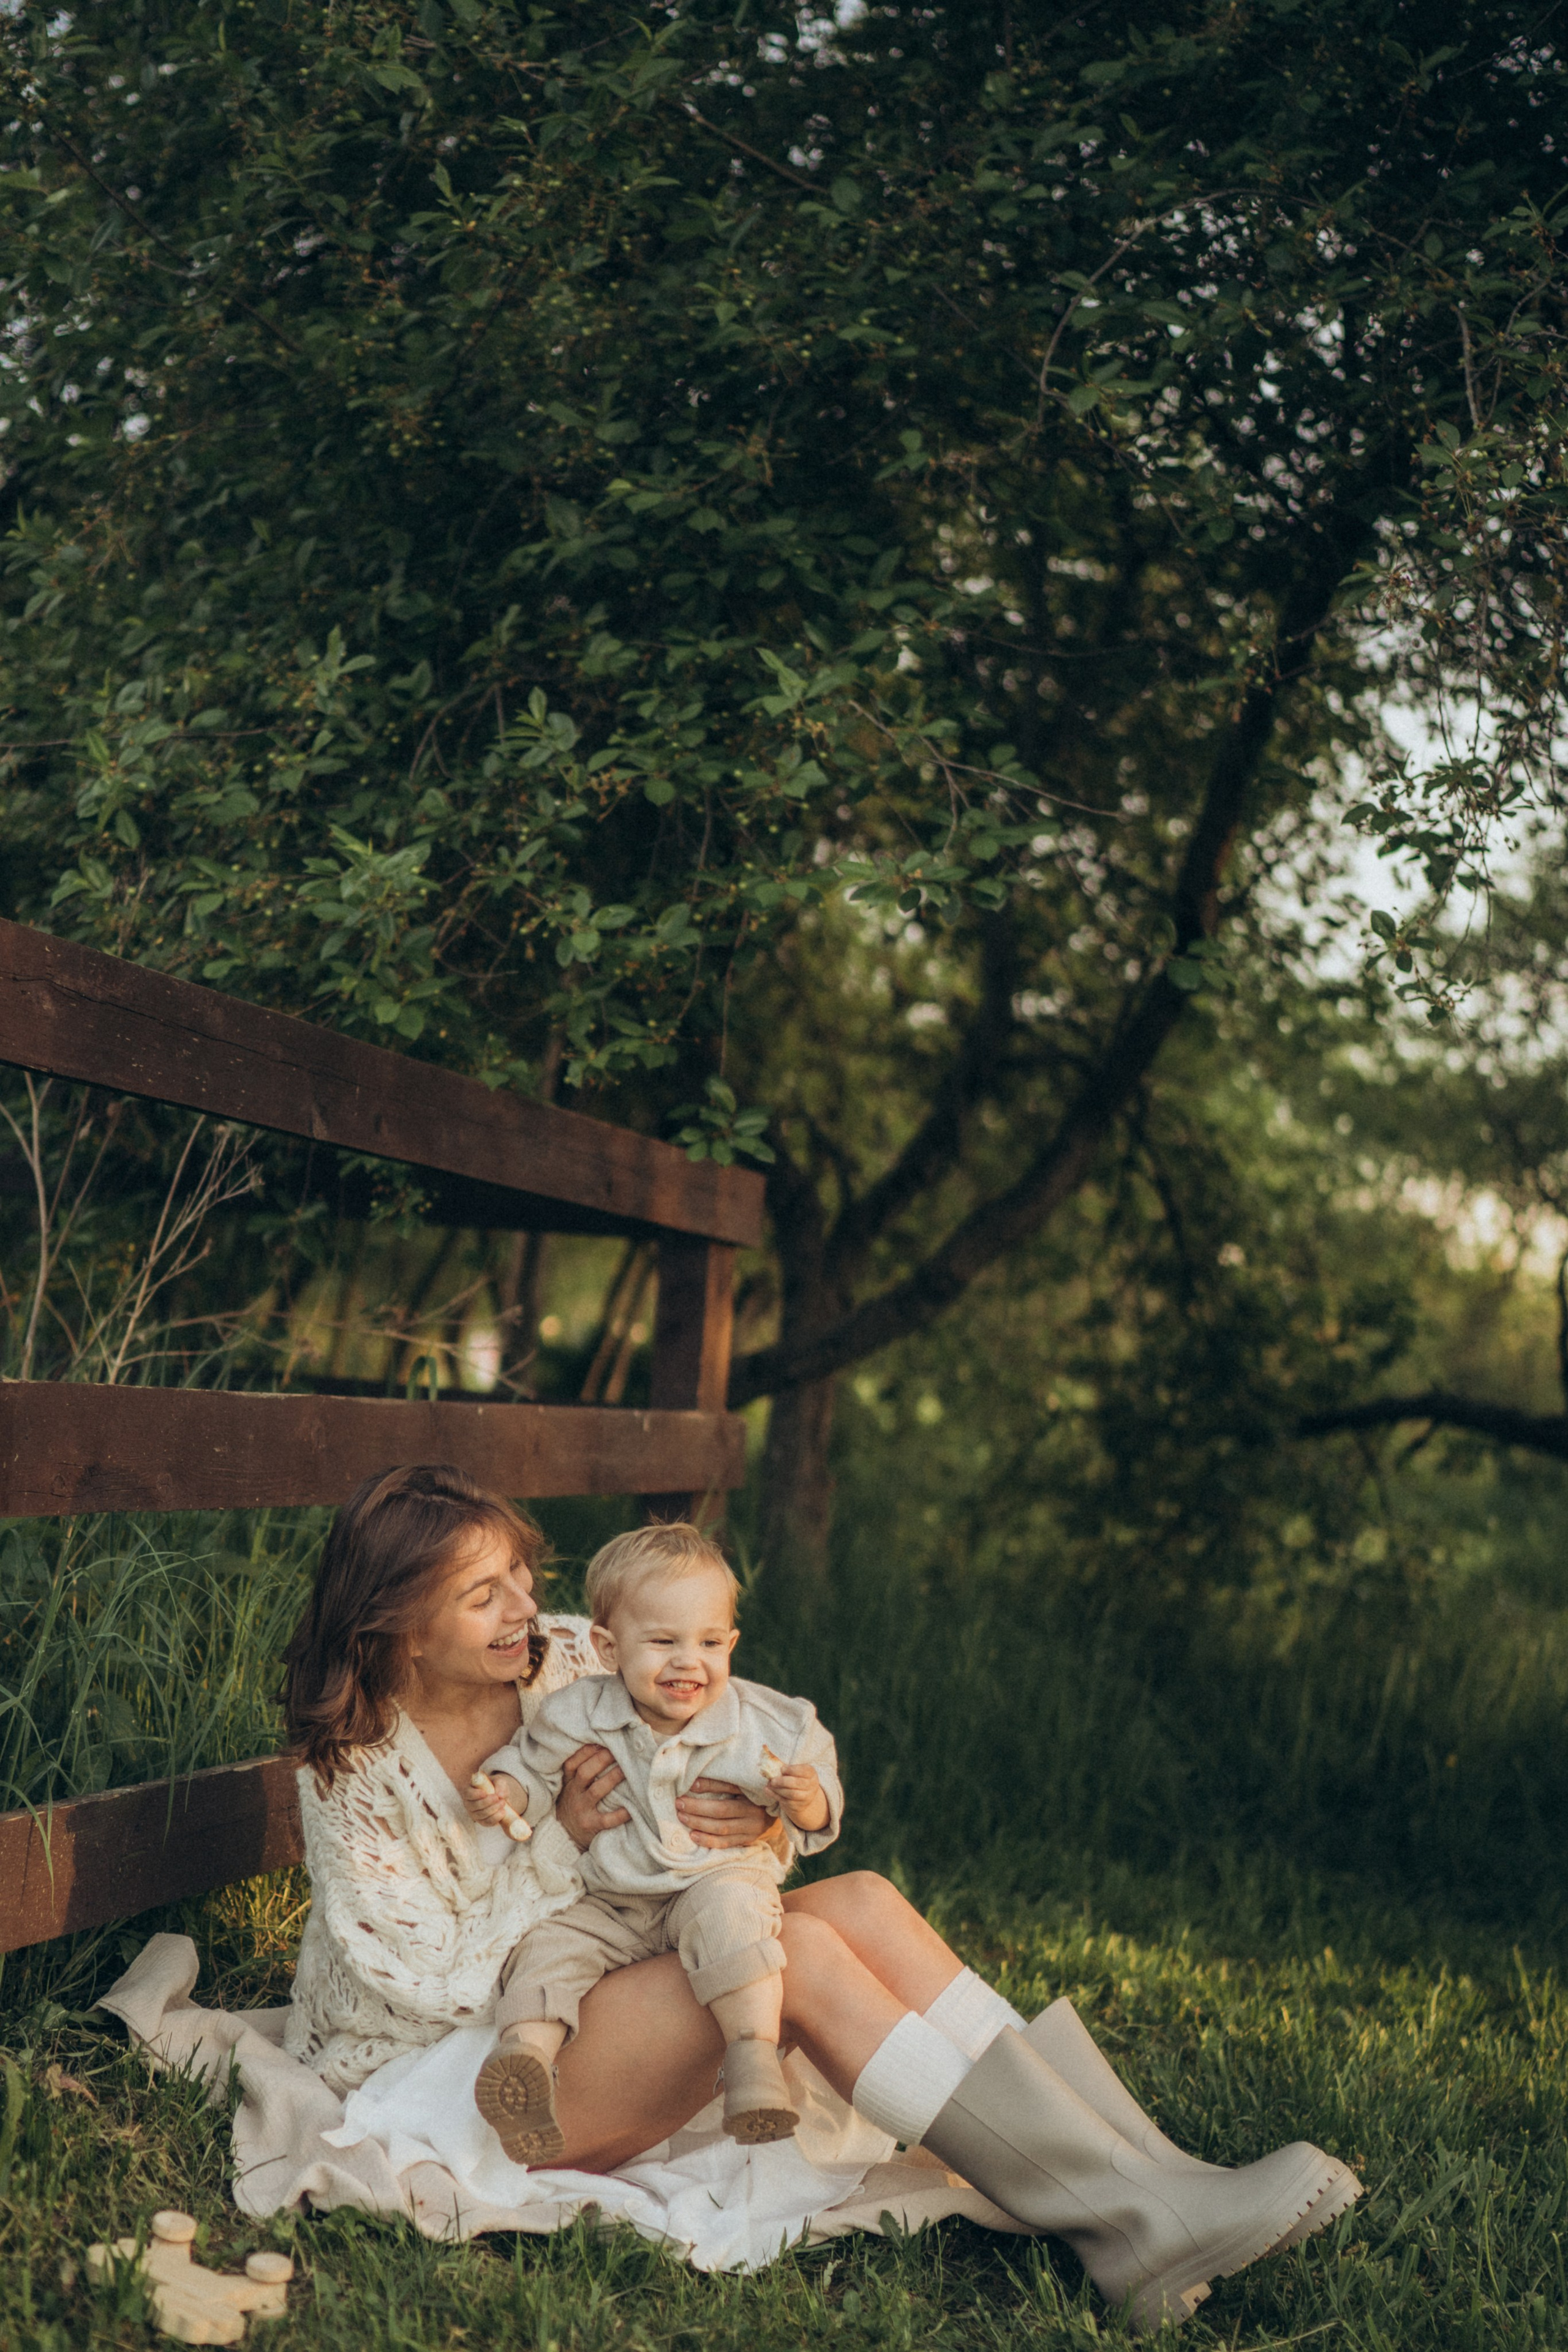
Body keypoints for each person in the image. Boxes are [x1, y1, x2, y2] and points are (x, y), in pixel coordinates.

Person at [280, 1463, 1362, 2328]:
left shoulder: (566, 1656)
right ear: (397, 1625)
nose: (526, 1606)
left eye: (521, 1573)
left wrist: (755, 1821)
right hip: (468, 2071)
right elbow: (439, 1981)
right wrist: (563, 1839)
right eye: (485, 1595)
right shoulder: (352, 1775)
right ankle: (1127, 2217)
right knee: (794, 1958)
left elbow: (712, 1750)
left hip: (613, 1967)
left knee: (865, 1902)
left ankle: (1158, 2171)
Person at [466, 1521, 842, 2160]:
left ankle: (752, 2060)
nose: (688, 1661)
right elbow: (533, 1765)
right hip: (611, 1901)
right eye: (663, 1641)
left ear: (732, 1643)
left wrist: (807, 1801)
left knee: (736, 1922)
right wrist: (507, 1793)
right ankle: (525, 2061)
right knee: (548, 1948)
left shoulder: (765, 1721)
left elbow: (818, 1778)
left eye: (710, 1642)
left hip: (711, 1881)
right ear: (609, 1649)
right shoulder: (580, 1711)